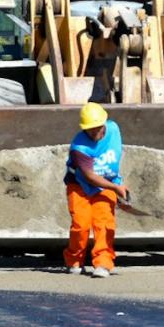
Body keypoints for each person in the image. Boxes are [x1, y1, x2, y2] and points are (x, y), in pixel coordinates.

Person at [63, 102, 129, 278]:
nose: (93, 132)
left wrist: (117, 182)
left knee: (104, 223)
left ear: (104, 124)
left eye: (97, 128)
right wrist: (115, 187)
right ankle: (75, 260)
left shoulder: (114, 129)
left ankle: (103, 263)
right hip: (79, 185)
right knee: (81, 224)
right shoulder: (79, 146)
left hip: (107, 182)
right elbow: (89, 177)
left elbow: (116, 154)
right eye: (89, 129)